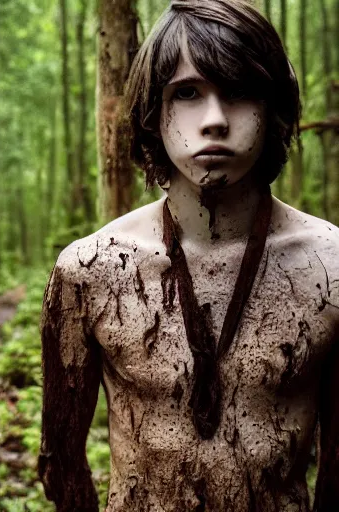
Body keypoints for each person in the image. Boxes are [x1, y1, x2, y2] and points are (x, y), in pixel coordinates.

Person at [38, 1, 339, 510]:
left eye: (240, 92)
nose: (215, 120)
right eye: (188, 93)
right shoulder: (91, 271)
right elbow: (61, 462)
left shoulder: (330, 268)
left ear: (273, 109)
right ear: (153, 113)